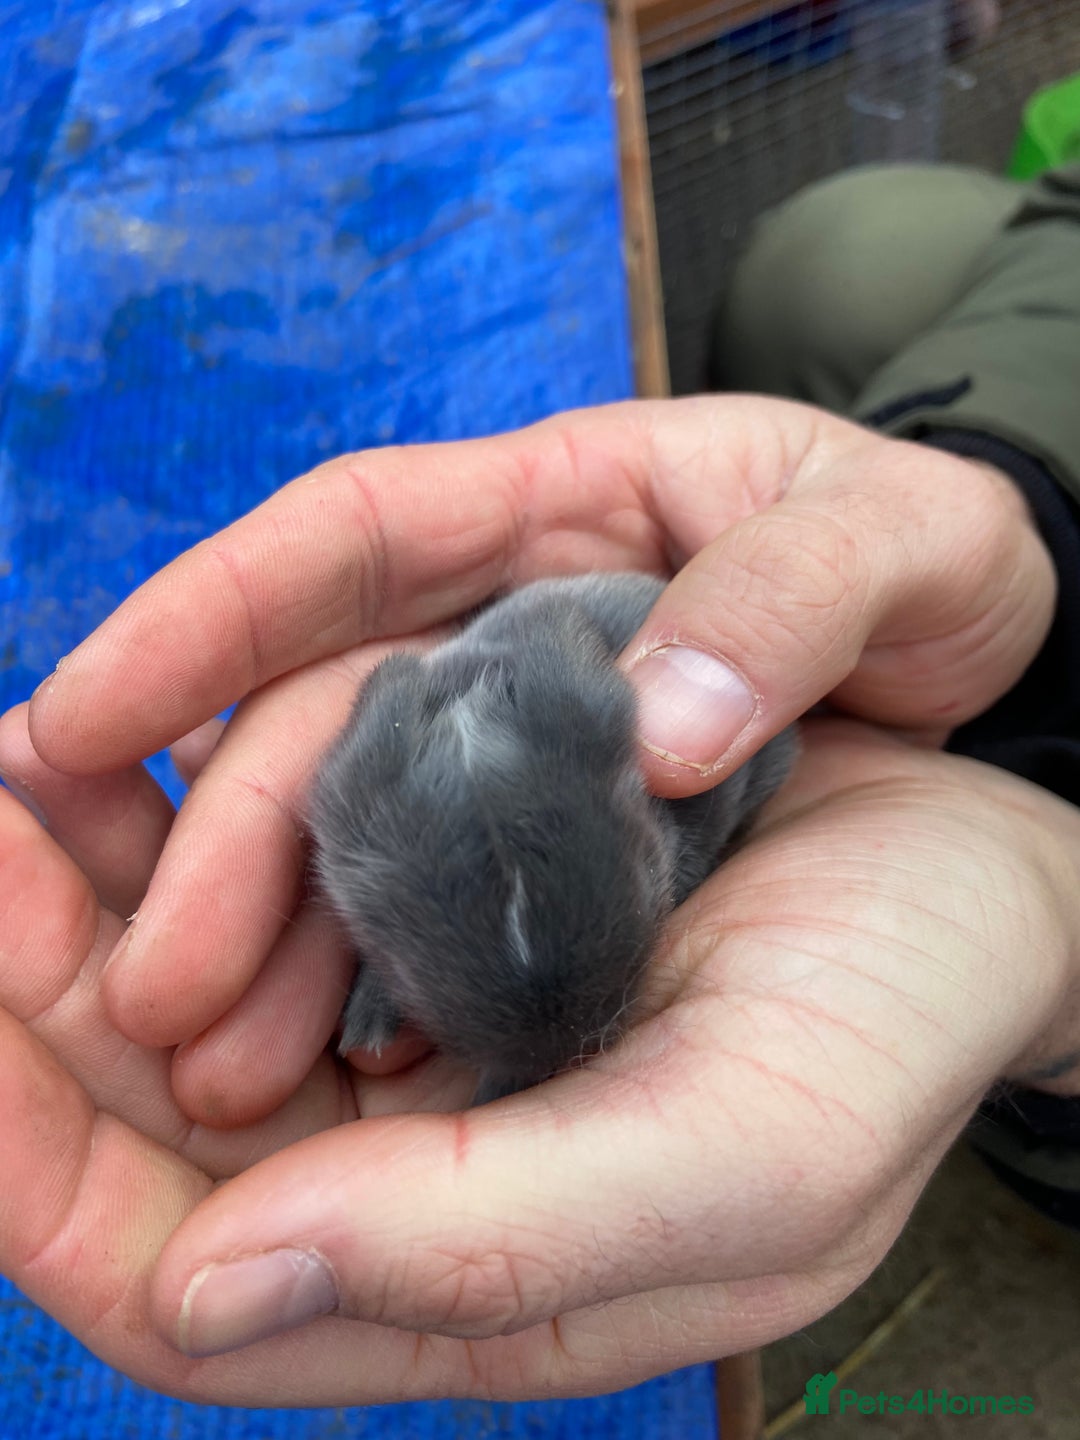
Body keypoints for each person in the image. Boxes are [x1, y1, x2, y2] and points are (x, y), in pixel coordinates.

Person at [0, 158, 1079, 1405]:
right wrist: (1019, 503)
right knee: (832, 264)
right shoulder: (402, 779)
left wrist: (1056, 943)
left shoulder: (648, 735)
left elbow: (716, 778)